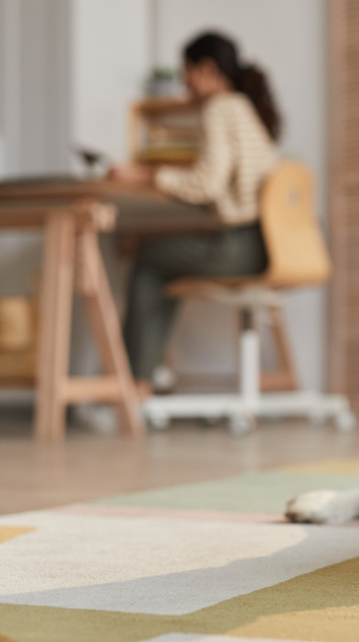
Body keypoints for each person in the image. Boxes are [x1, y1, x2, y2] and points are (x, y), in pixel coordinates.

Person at [109, 32, 281, 392]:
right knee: (159, 255)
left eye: (186, 71)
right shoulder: (245, 109)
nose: (183, 81)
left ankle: (132, 385)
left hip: (238, 245)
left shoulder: (219, 108)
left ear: (206, 69)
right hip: (267, 242)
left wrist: (146, 175)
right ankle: (146, 374)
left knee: (148, 259)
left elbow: (207, 183)